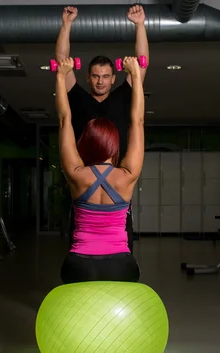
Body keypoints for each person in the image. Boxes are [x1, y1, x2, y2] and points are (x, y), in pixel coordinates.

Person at [55, 4, 149, 254]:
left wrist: (139, 25)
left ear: (113, 78)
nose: (100, 81)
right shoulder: (78, 98)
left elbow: (141, 66)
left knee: (121, 245)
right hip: (83, 180)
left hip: (117, 181)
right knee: (80, 244)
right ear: (87, 77)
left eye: (106, 76)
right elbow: (63, 65)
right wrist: (66, 26)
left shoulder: (121, 97)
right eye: (96, 76)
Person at [54, 55, 145, 284]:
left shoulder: (76, 174)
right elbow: (137, 121)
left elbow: (65, 120)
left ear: (83, 143)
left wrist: (60, 76)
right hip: (120, 265)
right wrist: (135, 75)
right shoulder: (126, 176)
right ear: (115, 144)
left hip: (78, 266)